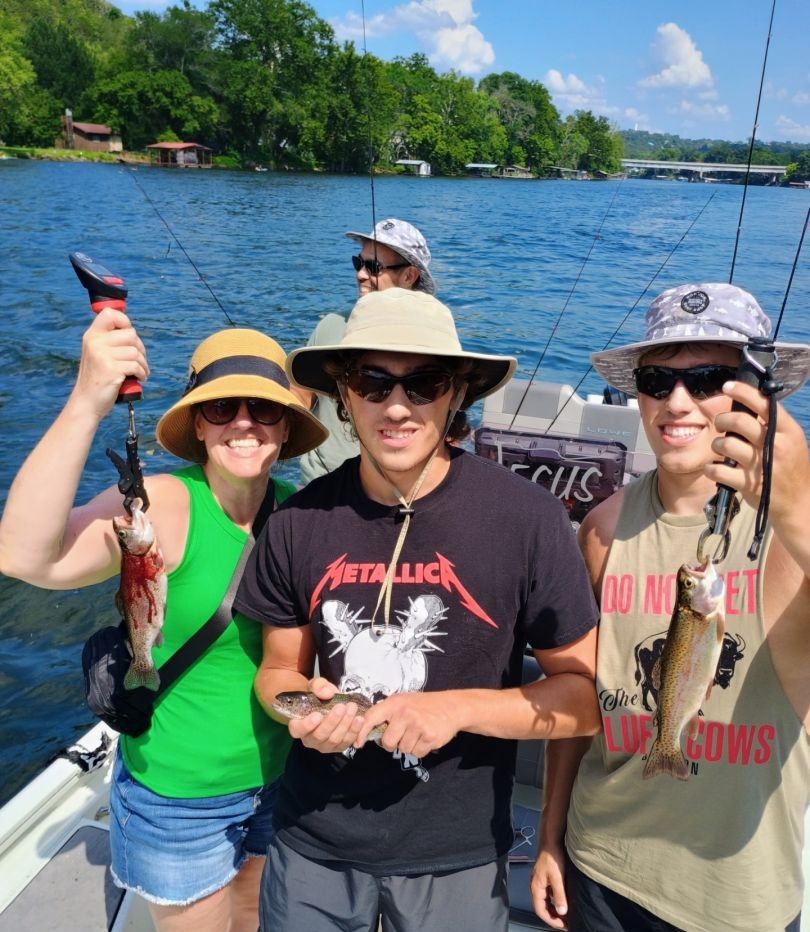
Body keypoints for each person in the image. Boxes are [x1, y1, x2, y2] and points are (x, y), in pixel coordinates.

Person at [233, 287, 601, 932]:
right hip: (311, 839)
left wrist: (457, 709)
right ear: (343, 396)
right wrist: (305, 710)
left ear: (456, 393)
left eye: (423, 383)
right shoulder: (295, 522)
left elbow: (586, 700)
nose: (397, 407)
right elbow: (276, 675)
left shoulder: (528, 518)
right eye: (373, 384)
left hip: (456, 853)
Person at [0, 310, 327, 932]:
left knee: (256, 914)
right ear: (197, 425)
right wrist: (87, 400)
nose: (243, 424)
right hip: (180, 798)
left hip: (285, 775)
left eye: (264, 409)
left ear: (287, 427)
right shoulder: (163, 507)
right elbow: (22, 557)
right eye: (221, 407)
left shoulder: (303, 513)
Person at [530, 282, 810, 932]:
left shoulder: (796, 530)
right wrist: (549, 839)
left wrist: (793, 505)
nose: (678, 402)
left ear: (756, 394)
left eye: (710, 379)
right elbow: (580, 699)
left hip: (736, 901)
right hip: (601, 864)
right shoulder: (600, 529)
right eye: (658, 380)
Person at [299, 217, 436, 485]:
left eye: (373, 267)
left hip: (392, 490)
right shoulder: (331, 326)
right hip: (317, 485)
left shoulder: (432, 343)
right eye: (358, 263)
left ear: (410, 276)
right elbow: (300, 395)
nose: (360, 274)